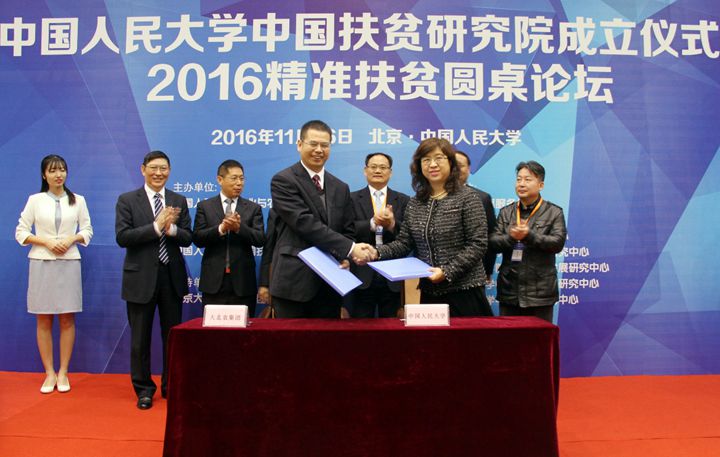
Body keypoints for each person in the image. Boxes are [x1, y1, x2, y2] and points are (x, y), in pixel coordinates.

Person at [366, 138, 492, 317]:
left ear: (451, 163)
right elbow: (404, 243)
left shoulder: (468, 197)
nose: (432, 164)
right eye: (426, 160)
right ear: (419, 166)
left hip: (465, 291)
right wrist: (376, 252)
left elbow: (477, 244)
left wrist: (447, 271)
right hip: (429, 290)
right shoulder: (416, 202)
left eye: (439, 158)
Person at [268, 120, 371, 318]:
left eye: (325, 145)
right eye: (313, 144)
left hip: (330, 285)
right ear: (299, 144)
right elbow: (304, 223)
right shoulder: (283, 180)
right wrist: (350, 248)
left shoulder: (340, 187)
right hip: (294, 283)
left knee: (327, 338)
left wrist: (345, 257)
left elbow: (347, 229)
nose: (319, 150)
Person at [115, 151, 192, 410]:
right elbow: (123, 237)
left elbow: (188, 237)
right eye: (154, 168)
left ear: (169, 171)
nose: (159, 173)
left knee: (172, 337)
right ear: (143, 169)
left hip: (171, 277)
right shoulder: (127, 200)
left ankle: (171, 386)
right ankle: (144, 389)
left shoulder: (178, 200)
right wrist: (157, 227)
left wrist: (171, 229)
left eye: (164, 168)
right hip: (140, 279)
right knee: (140, 339)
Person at [15, 155, 93, 394]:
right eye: (52, 171)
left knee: (67, 318)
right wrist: (46, 242)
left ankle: (63, 371)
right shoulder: (35, 200)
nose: (58, 175)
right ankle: (49, 372)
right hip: (42, 261)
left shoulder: (78, 200)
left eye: (62, 170)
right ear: (44, 175)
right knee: (44, 319)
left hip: (69, 261)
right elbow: (21, 232)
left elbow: (87, 230)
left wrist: (71, 239)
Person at [489, 161, 567, 323]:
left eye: (527, 179)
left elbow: (557, 243)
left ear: (541, 185)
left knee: (539, 337)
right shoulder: (506, 212)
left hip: (540, 292)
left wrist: (529, 235)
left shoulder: (554, 212)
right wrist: (511, 237)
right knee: (509, 336)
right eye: (519, 179)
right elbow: (493, 243)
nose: (521, 184)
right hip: (510, 290)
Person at [193, 160, 265, 316]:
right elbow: (198, 238)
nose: (239, 183)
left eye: (242, 178)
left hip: (243, 283)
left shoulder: (253, 208)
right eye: (234, 178)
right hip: (213, 283)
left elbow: (260, 239)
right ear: (220, 179)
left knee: (244, 329)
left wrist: (239, 228)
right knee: (213, 329)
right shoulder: (205, 207)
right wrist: (221, 229)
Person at [346, 153, 410, 317]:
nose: (378, 171)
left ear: (390, 172)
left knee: (391, 325)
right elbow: (347, 230)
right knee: (360, 325)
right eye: (373, 167)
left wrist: (392, 225)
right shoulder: (351, 199)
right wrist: (372, 224)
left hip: (392, 273)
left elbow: (409, 235)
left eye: (383, 167)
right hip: (361, 271)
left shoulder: (403, 200)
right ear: (365, 170)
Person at [454, 150, 497, 284]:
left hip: (474, 271)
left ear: (468, 169)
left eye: (460, 165)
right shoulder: (433, 197)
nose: (456, 169)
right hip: (439, 272)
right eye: (452, 165)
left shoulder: (482, 198)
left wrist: (487, 270)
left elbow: (490, 236)